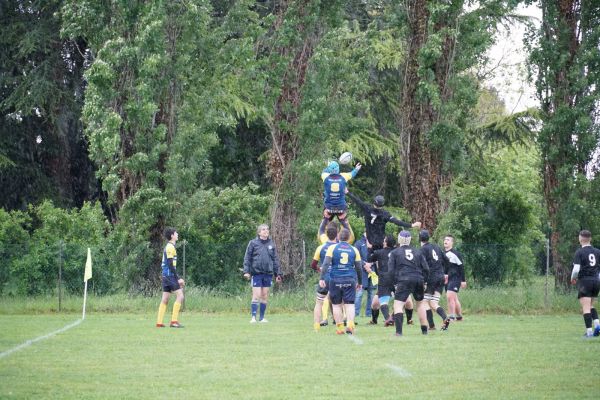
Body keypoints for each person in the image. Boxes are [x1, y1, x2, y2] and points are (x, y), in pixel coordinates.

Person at [319, 229, 363, 335]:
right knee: (349, 304)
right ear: (349, 238)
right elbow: (359, 268)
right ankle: (350, 326)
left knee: (336, 305)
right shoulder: (354, 249)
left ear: (338, 236)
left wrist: (321, 278)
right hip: (350, 279)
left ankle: (339, 328)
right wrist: (360, 282)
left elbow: (325, 264)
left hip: (335, 279)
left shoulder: (332, 248)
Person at [346, 190, 421, 250]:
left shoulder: (367, 208)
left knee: (370, 261)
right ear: (382, 204)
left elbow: (358, 201)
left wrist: (347, 192)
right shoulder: (385, 214)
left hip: (369, 242)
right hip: (381, 242)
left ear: (374, 202)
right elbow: (397, 222)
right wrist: (412, 225)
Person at [389, 230, 429, 336]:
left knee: (398, 305)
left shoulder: (395, 252)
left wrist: (394, 284)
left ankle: (398, 332)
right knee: (420, 304)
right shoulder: (418, 251)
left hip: (404, 279)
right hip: (418, 279)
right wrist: (424, 282)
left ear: (399, 239)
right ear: (410, 240)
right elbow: (426, 268)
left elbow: (391, 271)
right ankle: (424, 331)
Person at [243, 224, 282, 323]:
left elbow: (275, 260)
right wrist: (246, 271)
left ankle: (262, 318)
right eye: (263, 229)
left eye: (267, 229)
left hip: (268, 273)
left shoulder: (271, 244)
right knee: (257, 295)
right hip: (256, 273)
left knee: (264, 295)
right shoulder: (253, 243)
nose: (266, 231)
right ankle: (253, 318)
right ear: (259, 232)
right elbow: (247, 258)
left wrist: (278, 274)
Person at [570, 230, 600, 338]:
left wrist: (573, 278)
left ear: (580, 239)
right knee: (591, 305)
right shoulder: (597, 251)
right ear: (590, 239)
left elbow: (576, 269)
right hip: (596, 281)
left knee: (585, 307)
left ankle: (589, 332)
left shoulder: (579, 252)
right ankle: (597, 326)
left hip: (585, 281)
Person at [419, 230, 451, 331]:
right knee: (433, 302)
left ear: (420, 239)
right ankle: (445, 318)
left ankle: (432, 325)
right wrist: (445, 273)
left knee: (424, 302)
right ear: (429, 237)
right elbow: (447, 260)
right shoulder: (436, 247)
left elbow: (423, 266)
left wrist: (423, 281)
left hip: (431, 278)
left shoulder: (422, 250)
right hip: (440, 277)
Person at [310, 222, 339, 331]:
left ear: (326, 235)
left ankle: (316, 326)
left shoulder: (321, 248)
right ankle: (340, 326)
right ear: (337, 235)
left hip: (325, 277)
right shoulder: (339, 247)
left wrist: (319, 269)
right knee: (337, 303)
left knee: (319, 302)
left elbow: (313, 264)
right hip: (337, 277)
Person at [156, 227, 185, 328]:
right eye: (176, 233)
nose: (177, 234)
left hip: (166, 275)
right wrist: (177, 278)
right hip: (169, 275)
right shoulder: (170, 247)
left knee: (165, 299)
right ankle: (174, 322)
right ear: (172, 235)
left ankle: (159, 323)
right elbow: (170, 264)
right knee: (180, 296)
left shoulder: (170, 246)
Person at [321, 161, 361, 232]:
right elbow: (353, 173)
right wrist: (357, 168)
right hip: (341, 207)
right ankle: (347, 232)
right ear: (338, 169)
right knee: (345, 224)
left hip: (329, 207)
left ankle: (323, 228)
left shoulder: (325, 176)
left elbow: (324, 171)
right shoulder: (344, 176)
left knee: (324, 222)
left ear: (329, 169)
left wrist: (328, 166)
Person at [443, 235, 466, 321]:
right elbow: (444, 267)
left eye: (448, 240)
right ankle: (459, 316)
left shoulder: (455, 254)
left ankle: (451, 317)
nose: (446, 241)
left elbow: (461, 267)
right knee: (454, 298)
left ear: (452, 243)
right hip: (447, 279)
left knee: (449, 297)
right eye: (445, 239)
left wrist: (463, 280)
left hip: (455, 278)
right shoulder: (443, 254)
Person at [354, 232, 375, 319]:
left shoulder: (374, 243)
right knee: (359, 293)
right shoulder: (358, 243)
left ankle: (369, 314)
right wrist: (364, 264)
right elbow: (355, 256)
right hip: (361, 272)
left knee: (371, 293)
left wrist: (371, 264)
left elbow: (377, 255)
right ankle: (355, 313)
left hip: (372, 271)